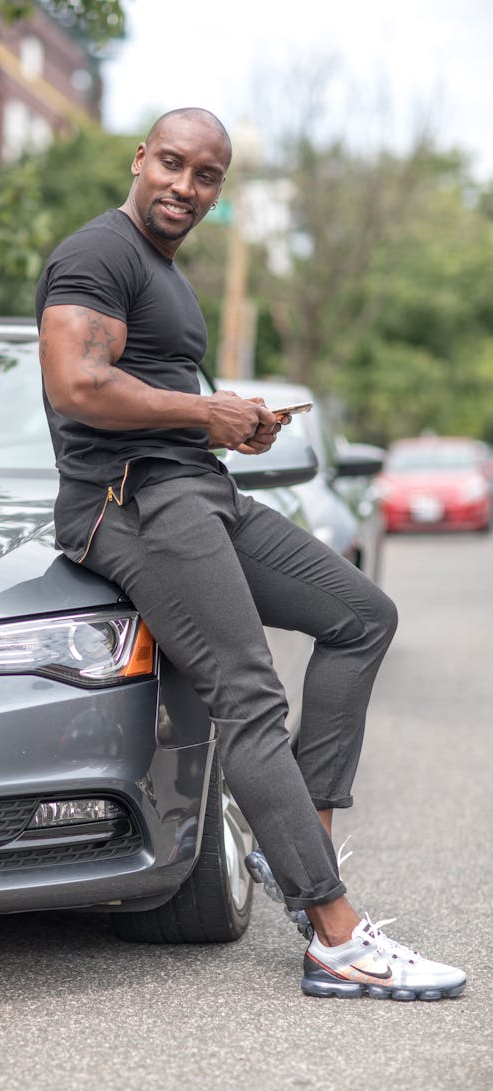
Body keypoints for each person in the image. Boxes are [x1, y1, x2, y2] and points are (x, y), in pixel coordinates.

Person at [35, 107, 465, 1001]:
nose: (186, 187)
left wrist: (233, 425)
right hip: (131, 503)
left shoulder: (163, 271)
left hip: (194, 487)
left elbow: (152, 390)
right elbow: (77, 384)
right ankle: (336, 935)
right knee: (251, 690)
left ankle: (295, 835)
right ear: (139, 158)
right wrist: (204, 412)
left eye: (207, 176)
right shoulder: (97, 253)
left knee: (361, 617)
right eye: (172, 164)